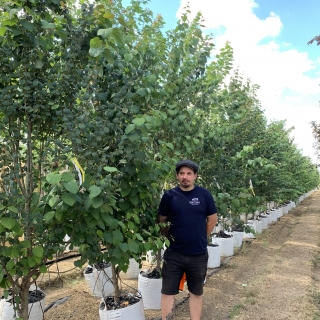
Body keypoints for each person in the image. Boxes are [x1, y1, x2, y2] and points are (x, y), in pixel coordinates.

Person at [158, 159, 218, 320]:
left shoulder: (204, 194)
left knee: (196, 293)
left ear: (195, 176)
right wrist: (168, 236)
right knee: (167, 292)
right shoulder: (169, 196)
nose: (185, 177)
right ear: (177, 176)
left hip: (198, 254)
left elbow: (212, 219)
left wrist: (200, 236)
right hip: (174, 254)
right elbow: (161, 220)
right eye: (182, 173)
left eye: (189, 173)